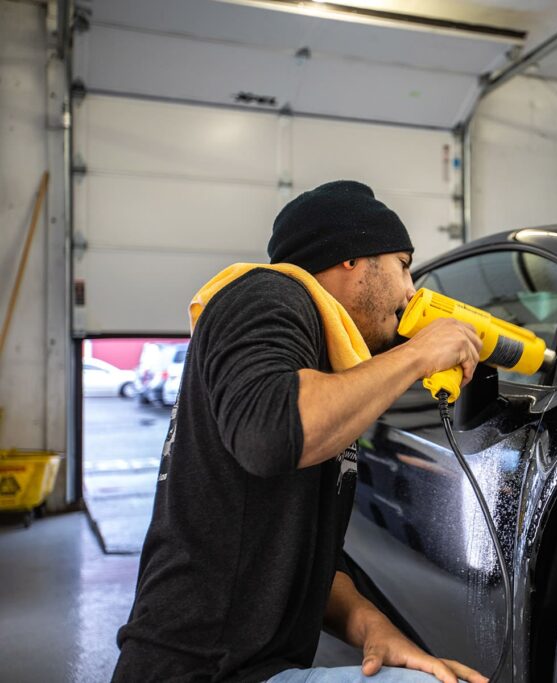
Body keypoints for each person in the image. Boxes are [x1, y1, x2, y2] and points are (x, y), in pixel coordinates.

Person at [113, 181, 485, 683]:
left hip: (260, 668)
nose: (410, 290)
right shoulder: (267, 295)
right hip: (199, 671)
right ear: (352, 258)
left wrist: (374, 625)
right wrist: (417, 354)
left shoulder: (326, 363)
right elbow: (271, 433)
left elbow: (300, 566)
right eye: (402, 264)